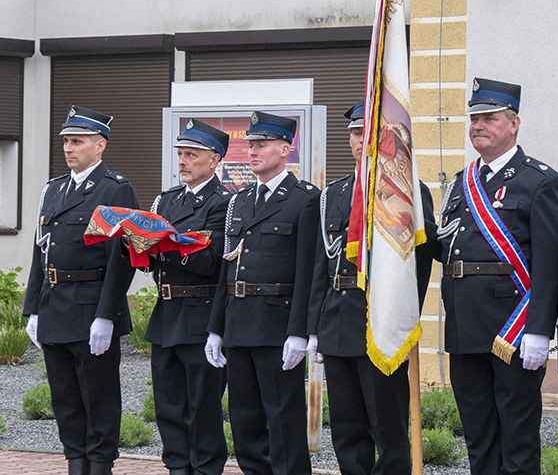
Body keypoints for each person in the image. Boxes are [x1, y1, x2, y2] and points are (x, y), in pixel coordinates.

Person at [435, 78, 558, 475]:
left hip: (513, 329)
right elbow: (447, 249)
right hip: (465, 326)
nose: (478, 125)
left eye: (489, 118)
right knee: (478, 434)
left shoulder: (540, 181)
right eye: (474, 118)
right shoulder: (461, 181)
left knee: (518, 436)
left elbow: (551, 263)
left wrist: (541, 331)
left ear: (514, 123)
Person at [306, 101, 436, 475]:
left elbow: (419, 264)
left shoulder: (407, 191)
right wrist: (314, 327)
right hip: (337, 320)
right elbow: (321, 266)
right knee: (346, 430)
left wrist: (402, 315)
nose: (360, 139)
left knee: (387, 428)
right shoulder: (333, 194)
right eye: (355, 132)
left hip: (381, 320)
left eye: (369, 132)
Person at [23, 105, 139, 475]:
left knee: (99, 401)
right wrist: (33, 309)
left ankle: (100, 467)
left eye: (77, 141)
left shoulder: (114, 189)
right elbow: (41, 251)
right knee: (66, 401)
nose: (68, 148)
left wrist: (107, 315)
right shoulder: (54, 190)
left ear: (99, 145)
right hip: (55, 308)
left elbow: (122, 259)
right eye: (66, 142)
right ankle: (76, 465)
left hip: (91, 310)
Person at [204, 111, 320, 475]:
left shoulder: (305, 199)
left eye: (261, 145)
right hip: (239, 323)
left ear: (285, 149)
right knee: (244, 420)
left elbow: (309, 272)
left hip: (277, 324)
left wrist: (300, 331)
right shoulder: (238, 201)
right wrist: (216, 327)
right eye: (250, 145)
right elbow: (228, 266)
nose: (252, 151)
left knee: (283, 420)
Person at [145, 119, 233, 475]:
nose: (183, 161)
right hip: (167, 314)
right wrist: (136, 241)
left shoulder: (224, 202)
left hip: (201, 315)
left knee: (203, 407)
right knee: (168, 407)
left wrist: (163, 242)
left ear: (214, 160)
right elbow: (153, 254)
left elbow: (210, 260)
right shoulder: (166, 200)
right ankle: (177, 468)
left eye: (191, 155)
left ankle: (207, 469)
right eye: (180, 154)